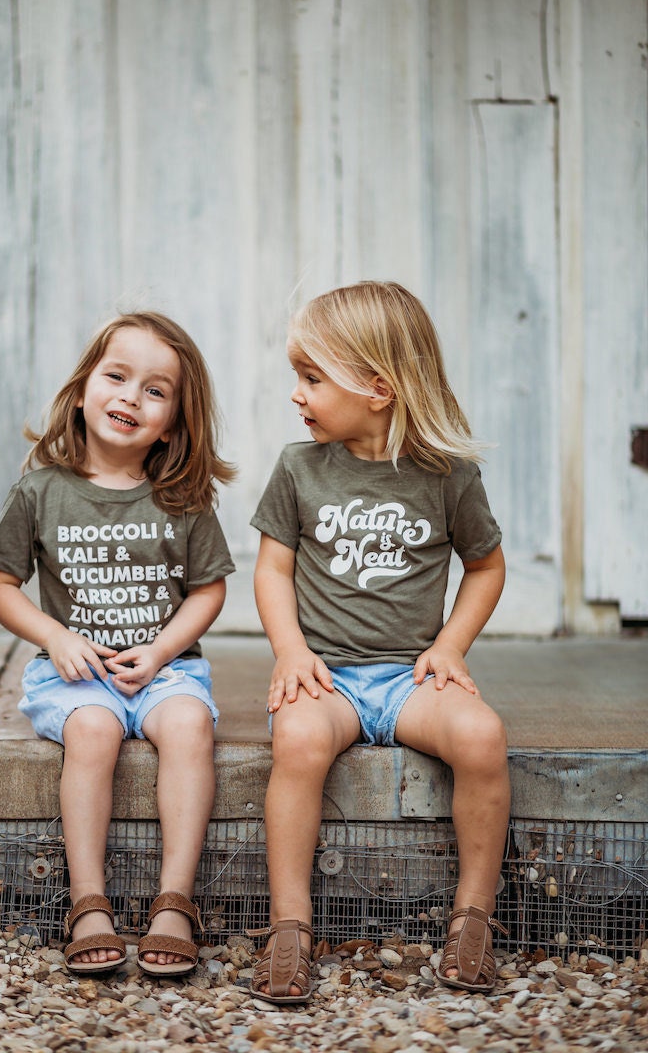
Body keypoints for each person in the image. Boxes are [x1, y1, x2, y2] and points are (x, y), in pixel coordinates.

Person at [249, 281, 509, 1003]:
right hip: (327, 677)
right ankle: (290, 928)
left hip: (409, 683)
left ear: (377, 388)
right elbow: (272, 569)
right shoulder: (300, 468)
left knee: (483, 738)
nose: (297, 395)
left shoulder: (446, 475)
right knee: (297, 743)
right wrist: (291, 652)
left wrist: (451, 646)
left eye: (311, 378)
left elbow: (485, 566)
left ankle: (473, 919)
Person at [0, 312, 235, 976]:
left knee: (187, 725)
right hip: (75, 674)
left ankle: (174, 902)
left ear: (175, 421)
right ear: (83, 388)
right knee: (92, 732)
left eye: (155, 390)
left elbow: (208, 592)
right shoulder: (40, 491)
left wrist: (161, 651)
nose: (130, 396)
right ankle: (88, 901)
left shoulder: (183, 498)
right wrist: (53, 634)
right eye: (117, 376)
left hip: (164, 669)